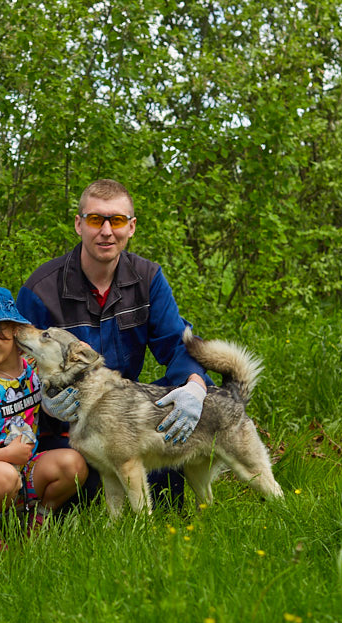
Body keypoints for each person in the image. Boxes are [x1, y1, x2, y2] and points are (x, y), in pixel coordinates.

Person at [15, 179, 210, 508]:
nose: (106, 231)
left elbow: (178, 346)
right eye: (95, 220)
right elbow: (13, 363)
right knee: (83, 481)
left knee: (190, 394)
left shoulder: (148, 279)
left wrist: (195, 386)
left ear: (131, 227)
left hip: (124, 420)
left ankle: (164, 484)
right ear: (79, 224)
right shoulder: (41, 289)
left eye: (116, 220)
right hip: (65, 429)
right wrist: (42, 400)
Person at [0, 286, 88, 525]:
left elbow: (75, 365)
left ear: (14, 330)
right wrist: (6, 455)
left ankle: (38, 517)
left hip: (27, 467)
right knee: (3, 476)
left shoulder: (34, 369)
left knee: (73, 464)